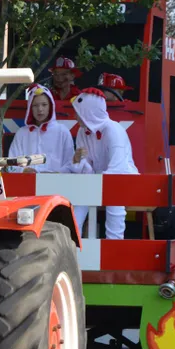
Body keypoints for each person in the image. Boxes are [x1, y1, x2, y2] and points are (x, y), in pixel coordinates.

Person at [70, 88, 139, 239]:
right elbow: (86, 167)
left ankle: (114, 245)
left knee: (114, 200)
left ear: (90, 112)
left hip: (123, 180)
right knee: (77, 206)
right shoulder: (83, 132)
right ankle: (73, 245)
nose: (75, 116)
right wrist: (79, 161)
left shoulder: (114, 130)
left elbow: (118, 168)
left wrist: (96, 181)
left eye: (78, 112)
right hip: (97, 180)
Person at [6, 84, 76, 174]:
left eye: (44, 105)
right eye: (35, 105)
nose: (40, 109)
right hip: (27, 182)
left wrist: (56, 173)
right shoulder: (22, 133)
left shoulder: (62, 131)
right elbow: (11, 164)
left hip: (56, 184)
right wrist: (23, 170)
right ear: (30, 108)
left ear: (50, 106)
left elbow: (71, 164)